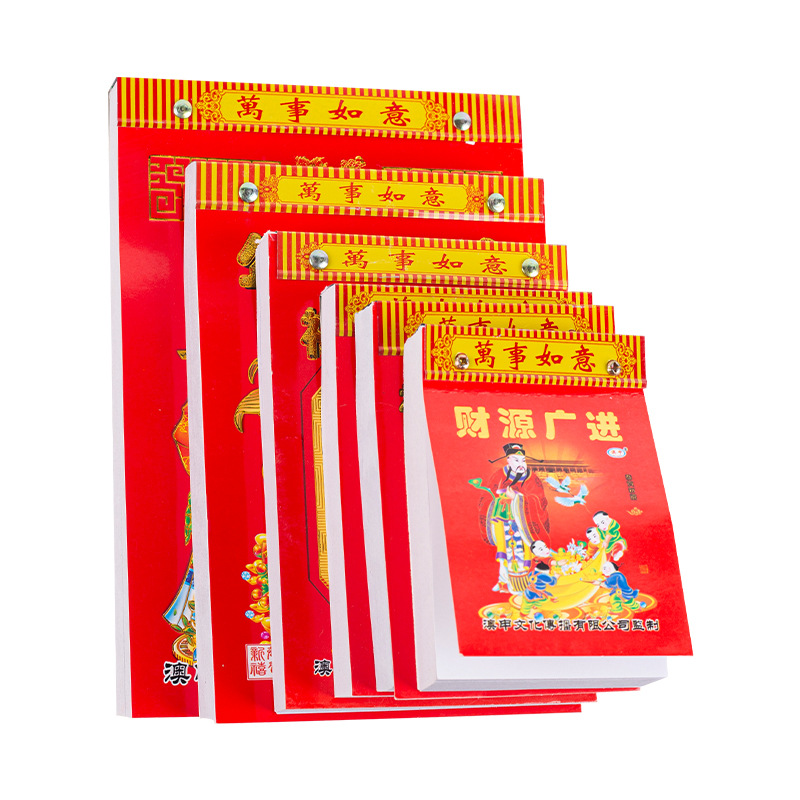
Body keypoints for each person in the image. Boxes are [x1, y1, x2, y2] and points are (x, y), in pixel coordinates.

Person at [477, 442, 550, 593]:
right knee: (505, 554)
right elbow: (486, 498)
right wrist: (498, 499)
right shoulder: (498, 475)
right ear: (508, 460)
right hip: (502, 523)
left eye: (523, 460)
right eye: (516, 460)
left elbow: (539, 500)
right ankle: (503, 581)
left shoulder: (532, 478)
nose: (521, 464)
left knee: (524, 553)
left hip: (524, 523)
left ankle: (527, 584)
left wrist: (517, 498)